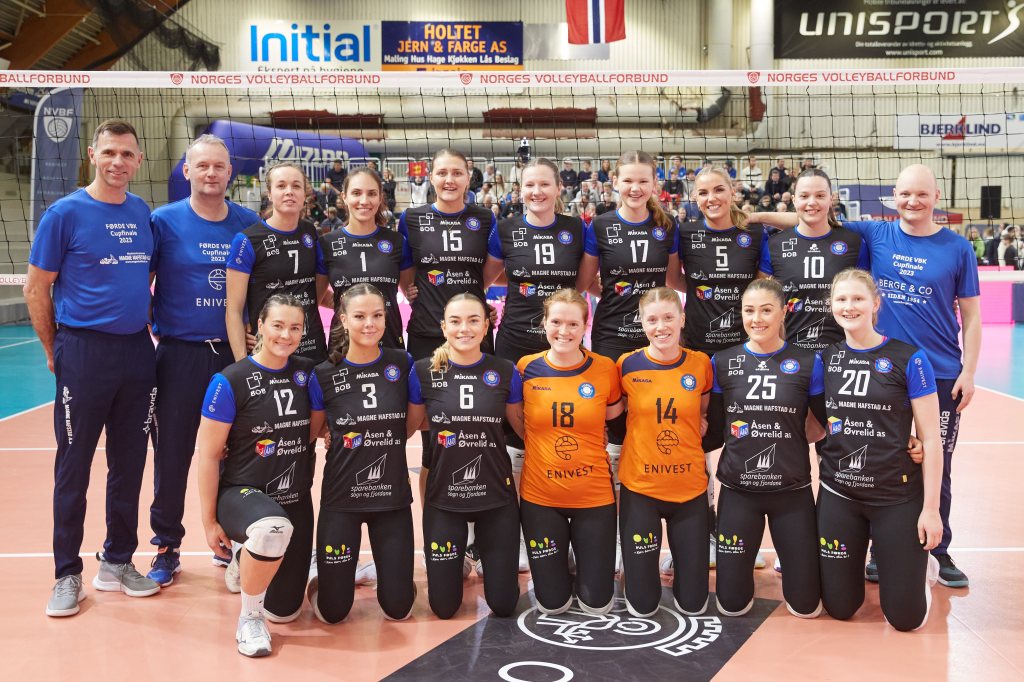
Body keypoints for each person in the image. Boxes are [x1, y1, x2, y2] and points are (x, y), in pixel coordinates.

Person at [751, 164, 980, 587]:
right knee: (877, 455)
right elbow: (813, 218)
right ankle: (876, 549)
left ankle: (938, 547)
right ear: (894, 197)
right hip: (882, 367)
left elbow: (972, 315)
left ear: (936, 196)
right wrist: (757, 216)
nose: (913, 201)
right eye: (905, 194)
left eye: (922, 194)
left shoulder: (957, 247)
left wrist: (969, 369)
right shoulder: (877, 233)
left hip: (942, 369)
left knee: (936, 460)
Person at [25, 119, 161, 617]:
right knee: (74, 465)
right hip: (83, 351)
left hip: (136, 351)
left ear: (138, 160)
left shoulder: (142, 212)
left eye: (126, 154)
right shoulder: (64, 214)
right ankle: (67, 573)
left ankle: (117, 562)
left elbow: (144, 275)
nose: (118, 162)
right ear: (92, 155)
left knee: (129, 462)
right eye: (109, 152)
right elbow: (36, 287)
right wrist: (54, 349)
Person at [146, 134, 261, 586]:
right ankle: (166, 546)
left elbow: (262, 287)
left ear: (230, 172)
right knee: (172, 452)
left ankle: (229, 541)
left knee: (238, 453)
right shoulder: (163, 221)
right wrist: (151, 324)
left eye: (219, 166)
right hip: (179, 355)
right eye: (202, 166)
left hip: (233, 359)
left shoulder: (248, 223)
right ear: (187, 171)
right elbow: (140, 281)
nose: (211, 173)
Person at [815, 268, 943, 631]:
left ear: (875, 304)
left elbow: (931, 438)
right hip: (839, 494)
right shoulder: (825, 359)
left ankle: (920, 571)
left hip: (896, 496)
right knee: (840, 608)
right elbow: (813, 424)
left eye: (858, 298)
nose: (849, 306)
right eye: (841, 299)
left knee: (905, 619)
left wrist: (931, 510)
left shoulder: (909, 358)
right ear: (831, 305)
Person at [197, 294, 318, 657]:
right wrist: (209, 522)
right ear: (260, 327)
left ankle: (245, 559)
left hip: (294, 497)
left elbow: (315, 430)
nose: (286, 335)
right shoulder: (229, 381)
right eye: (277, 325)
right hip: (242, 494)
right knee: (271, 529)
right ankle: (249, 620)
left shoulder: (307, 374)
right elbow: (209, 456)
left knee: (285, 612)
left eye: (295, 327)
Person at [483, 158, 588, 567]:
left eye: (545, 184)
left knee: (562, 429)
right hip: (514, 345)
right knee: (514, 434)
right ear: (519, 189)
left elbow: (582, 285)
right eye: (530, 185)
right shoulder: (506, 228)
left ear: (559, 188)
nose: (537, 192)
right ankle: (514, 534)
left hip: (561, 346)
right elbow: (487, 278)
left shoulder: (575, 229)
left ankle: (563, 525)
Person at [707, 278, 824, 619]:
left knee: (806, 607)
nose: (756, 319)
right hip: (738, 492)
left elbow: (822, 423)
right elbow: (713, 424)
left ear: (783, 312)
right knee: (731, 606)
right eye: (749, 311)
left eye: (766, 310)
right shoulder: (722, 362)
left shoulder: (808, 362)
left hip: (792, 492)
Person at [408, 293, 524, 619]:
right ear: (443, 327)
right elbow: (406, 427)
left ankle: (481, 556)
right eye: (456, 321)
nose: (465, 329)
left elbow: (525, 429)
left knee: (503, 605)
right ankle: (457, 557)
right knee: (444, 608)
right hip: (445, 500)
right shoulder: (423, 371)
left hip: (496, 498)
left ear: (486, 326)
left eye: (473, 321)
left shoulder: (505, 371)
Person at [306, 284, 417, 623]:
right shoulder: (324, 374)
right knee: (333, 612)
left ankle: (386, 573)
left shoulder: (403, 363)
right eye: (360, 316)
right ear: (343, 319)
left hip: (391, 498)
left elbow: (410, 426)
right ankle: (323, 579)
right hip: (342, 498)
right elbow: (315, 430)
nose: (370, 324)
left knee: (399, 609)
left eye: (377, 315)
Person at [576, 150, 683, 473]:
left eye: (643, 181)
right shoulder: (601, 225)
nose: (635, 188)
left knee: (654, 411)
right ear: (615, 182)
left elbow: (672, 280)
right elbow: (584, 281)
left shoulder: (667, 225)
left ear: (654, 184)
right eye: (628, 180)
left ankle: (652, 479)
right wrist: (615, 292)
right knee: (614, 416)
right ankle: (617, 487)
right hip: (612, 333)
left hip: (656, 335)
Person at [517, 289, 622, 614]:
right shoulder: (526, 368)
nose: (564, 331)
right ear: (544, 323)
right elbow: (518, 420)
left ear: (585, 326)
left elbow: (613, 414)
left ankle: (582, 558)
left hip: (594, 497)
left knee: (597, 604)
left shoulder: (605, 369)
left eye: (573, 324)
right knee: (552, 605)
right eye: (556, 322)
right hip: (541, 499)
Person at [617, 288, 712, 617]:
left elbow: (702, 412)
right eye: (652, 320)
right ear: (642, 323)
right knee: (641, 606)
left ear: (682, 319)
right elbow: (617, 412)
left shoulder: (700, 364)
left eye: (669, 317)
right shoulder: (626, 365)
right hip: (641, 488)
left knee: (694, 604)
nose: (661, 327)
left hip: (689, 489)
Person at [226, 162, 327, 363]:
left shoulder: (310, 232)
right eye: (281, 186)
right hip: (268, 350)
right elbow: (233, 310)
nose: (289, 191)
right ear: (270, 194)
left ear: (305, 193)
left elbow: (316, 288)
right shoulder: (247, 240)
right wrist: (243, 364)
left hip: (311, 347)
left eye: (296, 186)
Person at [759, 169, 869, 351]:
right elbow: (761, 299)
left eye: (820, 195)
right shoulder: (775, 244)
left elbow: (864, 299)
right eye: (804, 196)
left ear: (831, 199)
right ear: (794, 200)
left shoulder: (854, 243)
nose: (812, 202)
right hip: (789, 354)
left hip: (842, 353)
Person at [317, 168, 412, 351]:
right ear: (344, 197)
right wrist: (349, 306)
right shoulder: (327, 243)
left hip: (389, 342)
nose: (364, 201)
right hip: (343, 346)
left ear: (380, 198)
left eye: (372, 194)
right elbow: (317, 297)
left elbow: (410, 292)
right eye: (356, 193)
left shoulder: (397, 242)